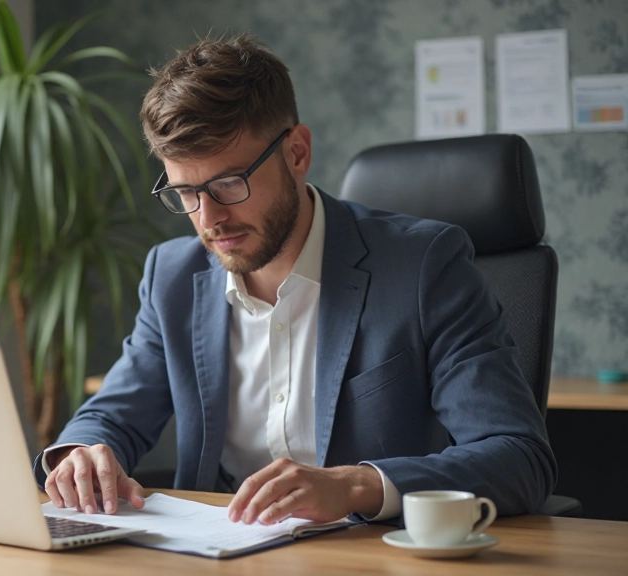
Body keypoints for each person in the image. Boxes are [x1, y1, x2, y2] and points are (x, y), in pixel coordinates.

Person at [32, 33, 555, 525]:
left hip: (364, 555)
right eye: (185, 193)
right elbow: (114, 415)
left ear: (297, 153)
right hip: (214, 550)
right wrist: (82, 453)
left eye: (229, 184)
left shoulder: (424, 266)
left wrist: (355, 485)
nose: (208, 218)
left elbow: (519, 457)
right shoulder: (173, 275)